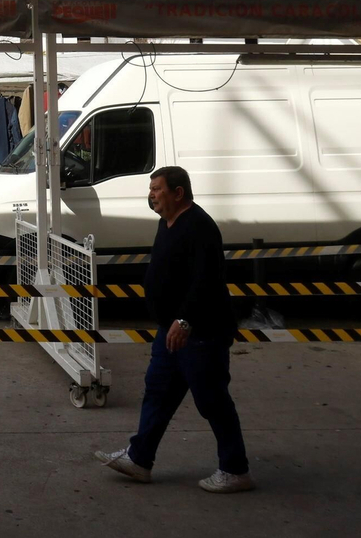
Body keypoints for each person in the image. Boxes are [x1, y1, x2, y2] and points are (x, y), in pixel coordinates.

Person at [95, 165, 254, 493]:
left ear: (178, 193)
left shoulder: (199, 226)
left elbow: (206, 281)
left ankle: (235, 469)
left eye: (157, 189)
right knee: (158, 391)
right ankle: (139, 459)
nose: (151, 194)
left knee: (211, 400)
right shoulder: (166, 223)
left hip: (200, 333)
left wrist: (185, 320)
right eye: (151, 188)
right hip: (171, 331)